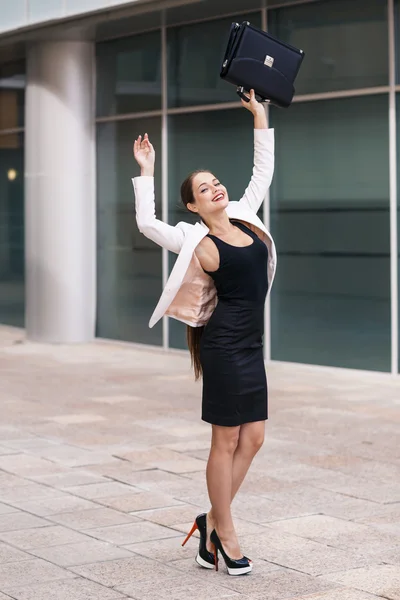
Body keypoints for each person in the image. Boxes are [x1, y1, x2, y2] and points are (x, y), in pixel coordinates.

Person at [132, 90, 276, 576]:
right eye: (204, 188)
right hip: (223, 345)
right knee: (227, 440)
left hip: (251, 345)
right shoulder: (196, 238)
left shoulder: (246, 218)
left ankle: (210, 520)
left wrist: (260, 118)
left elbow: (261, 174)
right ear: (193, 205)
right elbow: (148, 223)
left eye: (216, 182)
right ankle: (226, 535)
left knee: (253, 438)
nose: (215, 189)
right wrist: (146, 172)